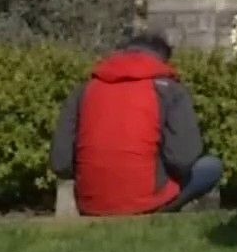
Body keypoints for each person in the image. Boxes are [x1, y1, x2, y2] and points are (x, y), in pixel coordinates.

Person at [50, 32, 223, 216]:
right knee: (211, 166)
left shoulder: (84, 90)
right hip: (148, 203)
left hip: (92, 204)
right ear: (162, 58)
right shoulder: (170, 90)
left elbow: (61, 163)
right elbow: (183, 159)